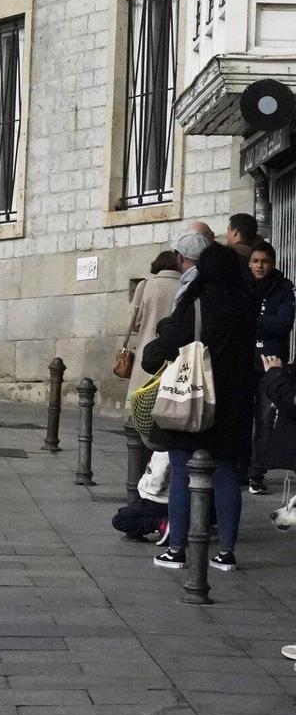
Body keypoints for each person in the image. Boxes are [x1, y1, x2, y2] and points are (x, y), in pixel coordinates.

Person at [144, 242, 257, 573]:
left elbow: (169, 343)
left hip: (193, 398)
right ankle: (226, 553)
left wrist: (157, 345)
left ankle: (177, 548)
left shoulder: (196, 302)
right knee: (224, 475)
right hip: (234, 404)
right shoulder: (247, 303)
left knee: (182, 472)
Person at [120, 250, 183, 503]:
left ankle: (139, 480)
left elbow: (134, 324)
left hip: (147, 358)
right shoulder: (184, 285)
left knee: (138, 418)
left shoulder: (146, 285)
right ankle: (161, 475)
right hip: (172, 360)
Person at [249, 240, 295, 496]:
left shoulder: (283, 290)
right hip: (245, 362)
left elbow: (283, 323)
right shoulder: (243, 286)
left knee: (265, 419)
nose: (259, 266)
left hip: (271, 364)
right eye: (255, 261)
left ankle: (257, 473)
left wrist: (254, 319)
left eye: (264, 261)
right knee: (245, 418)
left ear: (272, 263)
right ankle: (241, 469)